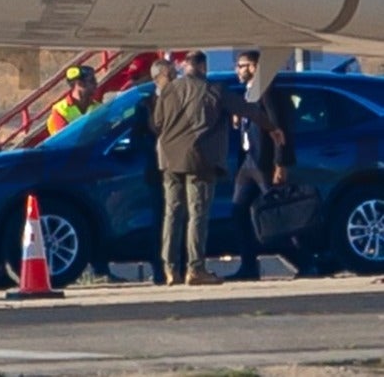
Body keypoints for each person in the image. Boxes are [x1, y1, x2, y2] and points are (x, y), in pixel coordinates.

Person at [154, 51, 285, 286]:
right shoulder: (215, 90)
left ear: (186, 67)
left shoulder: (169, 90)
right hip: (200, 159)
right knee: (197, 214)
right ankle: (195, 269)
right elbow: (250, 110)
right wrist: (272, 128)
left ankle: (170, 269)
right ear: (203, 67)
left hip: (168, 159)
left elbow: (157, 123)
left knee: (171, 213)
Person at [225, 51, 312, 281]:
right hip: (248, 161)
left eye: (241, 65)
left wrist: (280, 163)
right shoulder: (249, 92)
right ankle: (249, 267)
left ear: (253, 67)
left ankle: (305, 262)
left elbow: (278, 128)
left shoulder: (267, 91)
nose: (237, 70)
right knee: (239, 211)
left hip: (264, 163)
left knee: (279, 212)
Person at [46, 64, 123, 282]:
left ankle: (101, 269)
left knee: (99, 221)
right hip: (69, 175)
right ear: (77, 84)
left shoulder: (98, 108)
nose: (95, 85)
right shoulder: (59, 111)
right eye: (91, 82)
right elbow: (63, 142)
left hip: (93, 174)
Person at [131, 59, 177, 284]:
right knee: (160, 219)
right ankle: (159, 267)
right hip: (156, 169)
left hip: (180, 166)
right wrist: (154, 148)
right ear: (157, 78)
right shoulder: (146, 104)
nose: (174, 79)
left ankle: (181, 264)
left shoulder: (181, 99)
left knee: (181, 216)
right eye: (170, 75)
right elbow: (136, 137)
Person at [46, 65, 101, 135]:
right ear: (80, 84)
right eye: (92, 81)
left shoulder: (99, 107)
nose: (96, 83)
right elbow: (65, 139)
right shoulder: (60, 110)